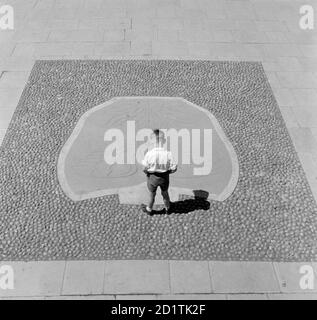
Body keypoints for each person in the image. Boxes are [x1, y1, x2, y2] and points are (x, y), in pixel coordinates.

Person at [141, 129, 177, 214]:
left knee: (152, 194)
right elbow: (174, 167)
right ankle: (168, 208)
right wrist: (169, 171)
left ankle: (149, 209)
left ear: (152, 141)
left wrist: (147, 172)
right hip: (164, 177)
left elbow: (144, 168)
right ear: (163, 141)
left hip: (152, 178)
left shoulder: (149, 154)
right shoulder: (168, 153)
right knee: (165, 193)